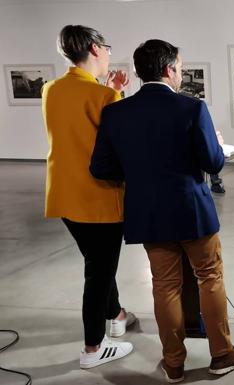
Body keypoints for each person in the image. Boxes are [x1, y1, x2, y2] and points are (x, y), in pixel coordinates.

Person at [89, 39, 234, 383]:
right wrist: (218, 147)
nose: (180, 74)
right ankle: (222, 354)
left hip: (148, 213)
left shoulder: (116, 112)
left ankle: (173, 363)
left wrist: (139, 171)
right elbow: (212, 162)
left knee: (165, 286)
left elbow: (101, 168)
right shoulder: (192, 108)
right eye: (179, 68)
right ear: (168, 70)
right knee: (209, 278)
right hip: (191, 211)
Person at [41, 25, 135, 369]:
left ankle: (118, 314)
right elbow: (117, 143)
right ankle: (93, 348)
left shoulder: (50, 89)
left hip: (63, 196)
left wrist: (108, 91)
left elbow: (79, 126)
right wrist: (114, 96)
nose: (109, 53)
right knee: (98, 272)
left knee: (97, 262)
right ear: (95, 49)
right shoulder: (104, 97)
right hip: (98, 198)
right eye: (106, 47)